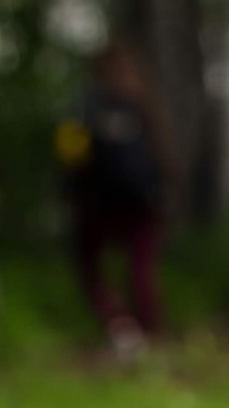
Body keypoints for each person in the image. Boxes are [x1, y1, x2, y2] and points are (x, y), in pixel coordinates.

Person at [58, 40, 168, 356]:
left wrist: (71, 192)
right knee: (141, 269)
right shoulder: (143, 106)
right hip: (141, 202)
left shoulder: (85, 108)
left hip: (98, 204)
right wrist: (163, 192)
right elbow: (162, 155)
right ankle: (149, 335)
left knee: (91, 268)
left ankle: (122, 326)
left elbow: (71, 158)